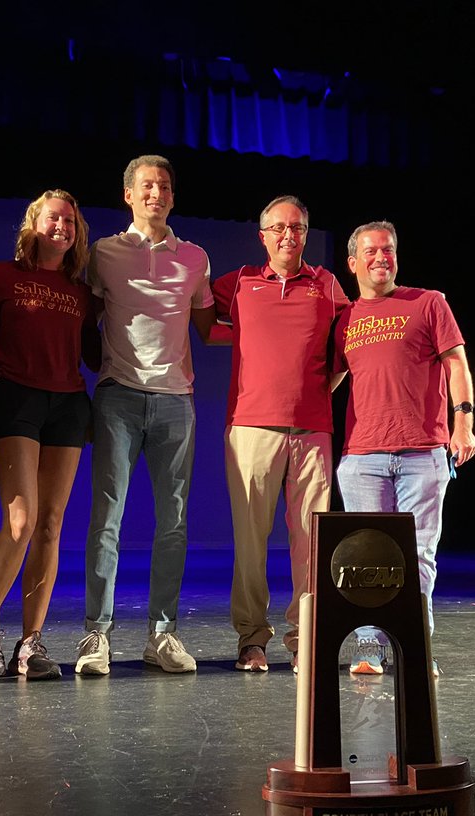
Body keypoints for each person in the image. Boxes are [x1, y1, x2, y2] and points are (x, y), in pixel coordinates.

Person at [75, 154, 213, 676]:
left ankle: (163, 633)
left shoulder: (195, 257)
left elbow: (208, 324)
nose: (156, 193)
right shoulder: (103, 254)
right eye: (146, 186)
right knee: (106, 520)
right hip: (119, 398)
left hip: (177, 401)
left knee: (173, 521)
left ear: (173, 197)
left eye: (164, 186)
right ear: (128, 195)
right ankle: (96, 634)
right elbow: (84, 322)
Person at [210, 196, 349, 673]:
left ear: (306, 234)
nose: (289, 235)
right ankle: (252, 638)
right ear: (263, 234)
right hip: (250, 426)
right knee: (250, 538)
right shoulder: (240, 282)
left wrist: (318, 389)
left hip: (313, 430)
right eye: (279, 228)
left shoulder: (327, 285)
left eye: (298, 228)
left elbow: (348, 346)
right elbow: (203, 322)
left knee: (311, 537)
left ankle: (304, 636)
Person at [333, 222, 475, 676]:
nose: (382, 257)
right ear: (353, 262)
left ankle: (414, 647)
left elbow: (456, 362)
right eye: (372, 251)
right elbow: (328, 381)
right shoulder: (344, 319)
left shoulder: (428, 302)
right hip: (362, 457)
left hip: (423, 453)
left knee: (418, 555)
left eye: (389, 249)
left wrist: (464, 423)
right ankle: (370, 650)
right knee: (368, 560)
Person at [0, 190, 97, 681]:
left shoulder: (81, 292)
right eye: (53, 218)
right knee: (19, 522)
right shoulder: (3, 277)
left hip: (67, 404)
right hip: (15, 397)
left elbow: (94, 354)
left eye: (70, 220)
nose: (61, 226)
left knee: (50, 524)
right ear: (34, 225)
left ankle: (31, 641)